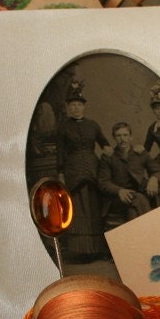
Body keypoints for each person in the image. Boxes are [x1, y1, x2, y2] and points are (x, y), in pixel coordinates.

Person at [54, 78, 109, 260]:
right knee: (78, 207)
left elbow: (105, 144)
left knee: (94, 206)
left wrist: (110, 151)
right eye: (73, 105)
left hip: (93, 170)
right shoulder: (63, 127)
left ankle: (97, 249)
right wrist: (61, 173)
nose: (76, 108)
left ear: (84, 107)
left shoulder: (92, 125)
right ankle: (79, 252)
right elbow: (60, 152)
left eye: (79, 104)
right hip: (73, 171)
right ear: (69, 108)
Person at [97, 120, 160, 224]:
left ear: (131, 137)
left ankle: (136, 236)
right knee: (139, 199)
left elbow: (157, 170)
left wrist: (154, 178)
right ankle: (151, 229)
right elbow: (103, 182)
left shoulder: (140, 153)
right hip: (117, 198)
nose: (123, 139)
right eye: (119, 136)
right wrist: (119, 190)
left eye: (125, 135)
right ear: (114, 138)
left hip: (138, 195)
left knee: (134, 209)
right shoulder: (108, 157)